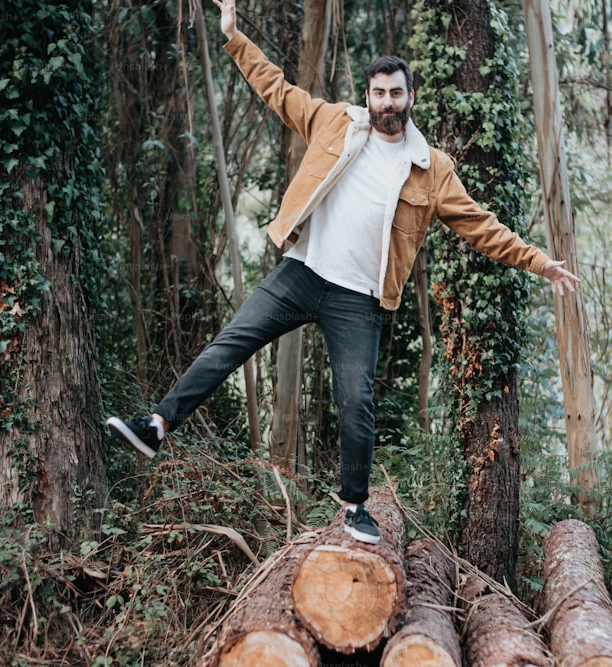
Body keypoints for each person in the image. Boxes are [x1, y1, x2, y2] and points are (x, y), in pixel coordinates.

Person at [108, 0, 580, 545]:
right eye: (379, 93)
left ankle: (354, 505)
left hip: (357, 299)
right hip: (302, 271)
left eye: (396, 93)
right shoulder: (336, 122)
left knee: (355, 401)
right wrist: (234, 36)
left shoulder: (432, 168)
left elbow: (480, 225)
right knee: (227, 346)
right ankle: (157, 425)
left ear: (410, 97)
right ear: (368, 96)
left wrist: (539, 261)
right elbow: (278, 91)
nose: (387, 103)